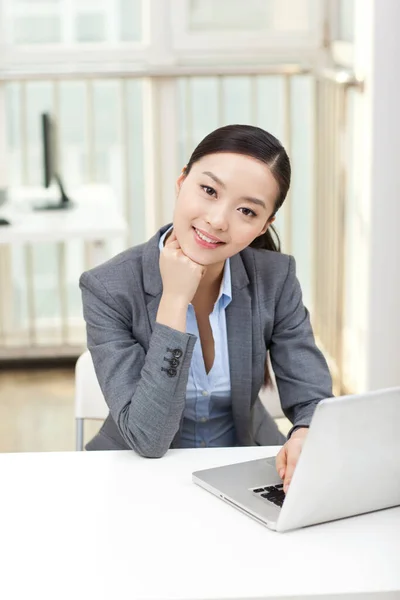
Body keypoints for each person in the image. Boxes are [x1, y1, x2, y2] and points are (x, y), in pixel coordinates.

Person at [79, 124, 332, 494]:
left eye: (247, 210)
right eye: (209, 191)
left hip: (244, 471)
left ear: (264, 225)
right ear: (182, 181)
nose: (217, 220)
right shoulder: (108, 287)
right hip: (138, 480)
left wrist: (307, 432)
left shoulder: (275, 278)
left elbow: (312, 398)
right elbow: (148, 439)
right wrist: (174, 301)